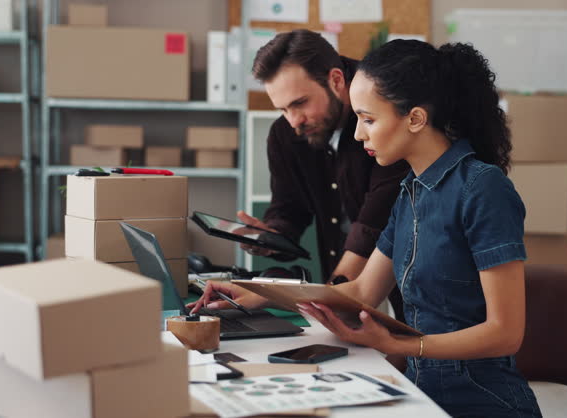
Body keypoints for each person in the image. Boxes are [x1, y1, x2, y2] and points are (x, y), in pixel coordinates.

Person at [296, 40, 541, 417]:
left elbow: (505, 333)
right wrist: (259, 294)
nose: (359, 134)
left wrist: (400, 345)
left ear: (415, 119)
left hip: (482, 402)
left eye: (368, 119)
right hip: (422, 395)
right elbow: (362, 291)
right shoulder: (410, 191)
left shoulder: (482, 188)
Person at [191, 29, 408, 318]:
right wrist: (270, 236)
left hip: (410, 282)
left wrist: (317, 300)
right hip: (350, 285)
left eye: (299, 103)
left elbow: (373, 226)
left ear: (336, 80)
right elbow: (289, 208)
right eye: (283, 109)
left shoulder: (383, 114)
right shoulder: (285, 134)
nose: (294, 122)